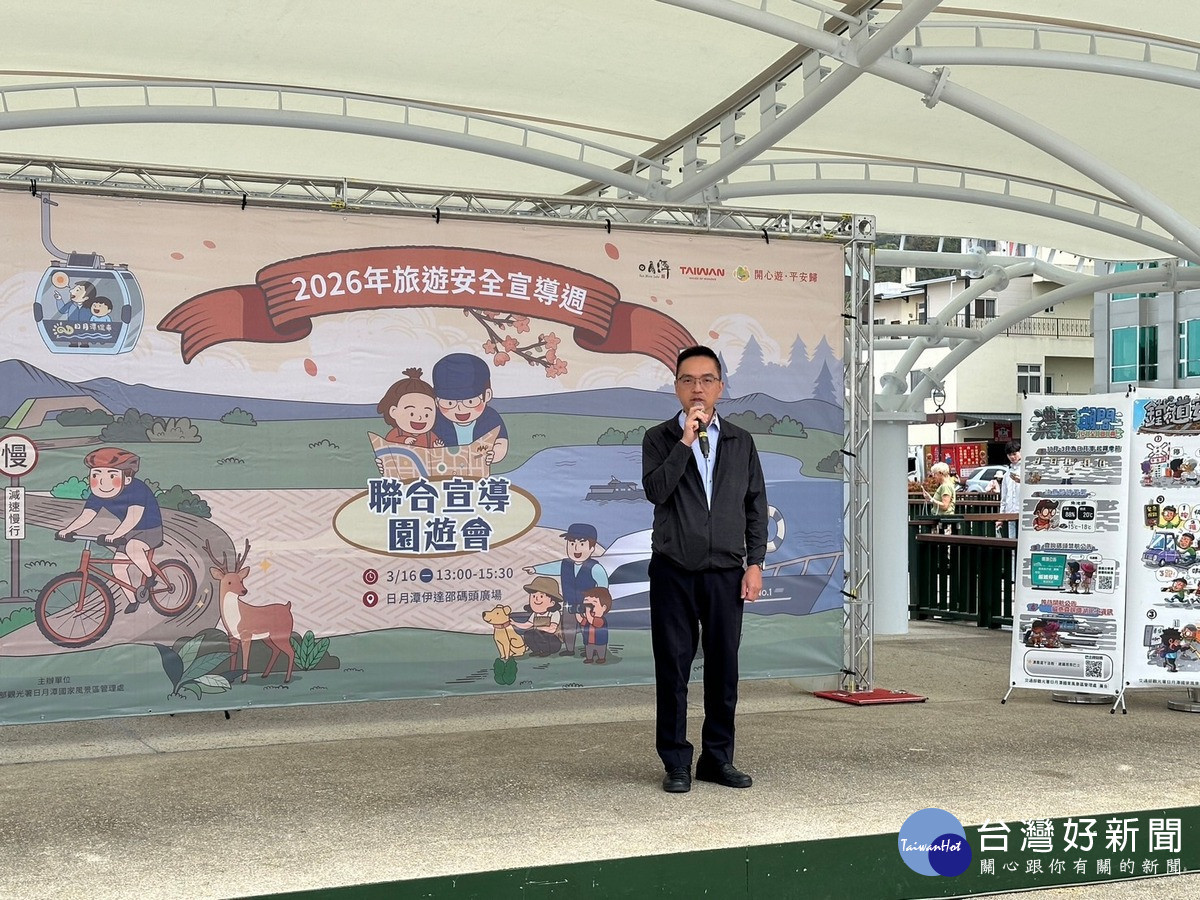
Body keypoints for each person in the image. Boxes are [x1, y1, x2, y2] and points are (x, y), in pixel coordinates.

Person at [642, 345, 767, 793]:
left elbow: (756, 505)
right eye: (688, 380)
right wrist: (685, 442)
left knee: (723, 669)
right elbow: (656, 491)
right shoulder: (660, 438)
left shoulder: (740, 441)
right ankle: (676, 761)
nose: (698, 388)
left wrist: (755, 564)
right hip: (673, 569)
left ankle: (717, 758)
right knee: (673, 669)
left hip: (725, 572)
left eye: (706, 380)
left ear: (720, 387)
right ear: (677, 387)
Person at [56, 447, 164, 614]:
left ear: (127, 478)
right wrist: (68, 529)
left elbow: (133, 517)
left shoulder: (137, 489)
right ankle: (133, 600)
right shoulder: (98, 494)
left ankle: (150, 577)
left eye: (111, 476)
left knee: (132, 548)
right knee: (118, 568)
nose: (102, 482)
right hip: (128, 532)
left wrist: (114, 535)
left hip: (150, 529)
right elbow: (87, 515)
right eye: (96, 475)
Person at [523, 522, 609, 657]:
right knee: (568, 627)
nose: (576, 548)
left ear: (592, 548)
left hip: (587, 606)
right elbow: (551, 567)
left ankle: (589, 649)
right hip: (568, 604)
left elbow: (603, 587)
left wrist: (598, 604)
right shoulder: (565, 564)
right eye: (572, 543)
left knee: (587, 627)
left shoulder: (595, 567)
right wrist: (534, 569)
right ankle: (569, 649)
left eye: (582, 544)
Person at [431, 352, 509, 464]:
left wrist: (494, 455)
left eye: (470, 402)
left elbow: (501, 441)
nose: (460, 409)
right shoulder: (436, 420)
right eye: (449, 403)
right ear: (436, 401)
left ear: (487, 395)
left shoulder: (490, 417)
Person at [376, 367, 445, 448]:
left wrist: (436, 446)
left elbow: (435, 448)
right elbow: (389, 443)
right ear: (393, 411)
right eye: (411, 414)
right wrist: (404, 440)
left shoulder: (430, 435)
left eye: (426, 415)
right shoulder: (397, 433)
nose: (419, 418)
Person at [996, 440, 1022, 539]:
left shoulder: (1026, 470)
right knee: (1011, 539)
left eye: (1014, 454)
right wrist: (1001, 516)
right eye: (1009, 454)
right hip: (1010, 513)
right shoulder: (1007, 475)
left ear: (1020, 452)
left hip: (1023, 513)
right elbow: (1004, 498)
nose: (1012, 457)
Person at [923, 461, 957, 532]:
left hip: (944, 520)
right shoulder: (947, 485)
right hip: (943, 519)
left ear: (940, 473)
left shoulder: (945, 486)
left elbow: (945, 506)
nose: (934, 476)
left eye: (935, 474)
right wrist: (929, 498)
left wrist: (931, 499)